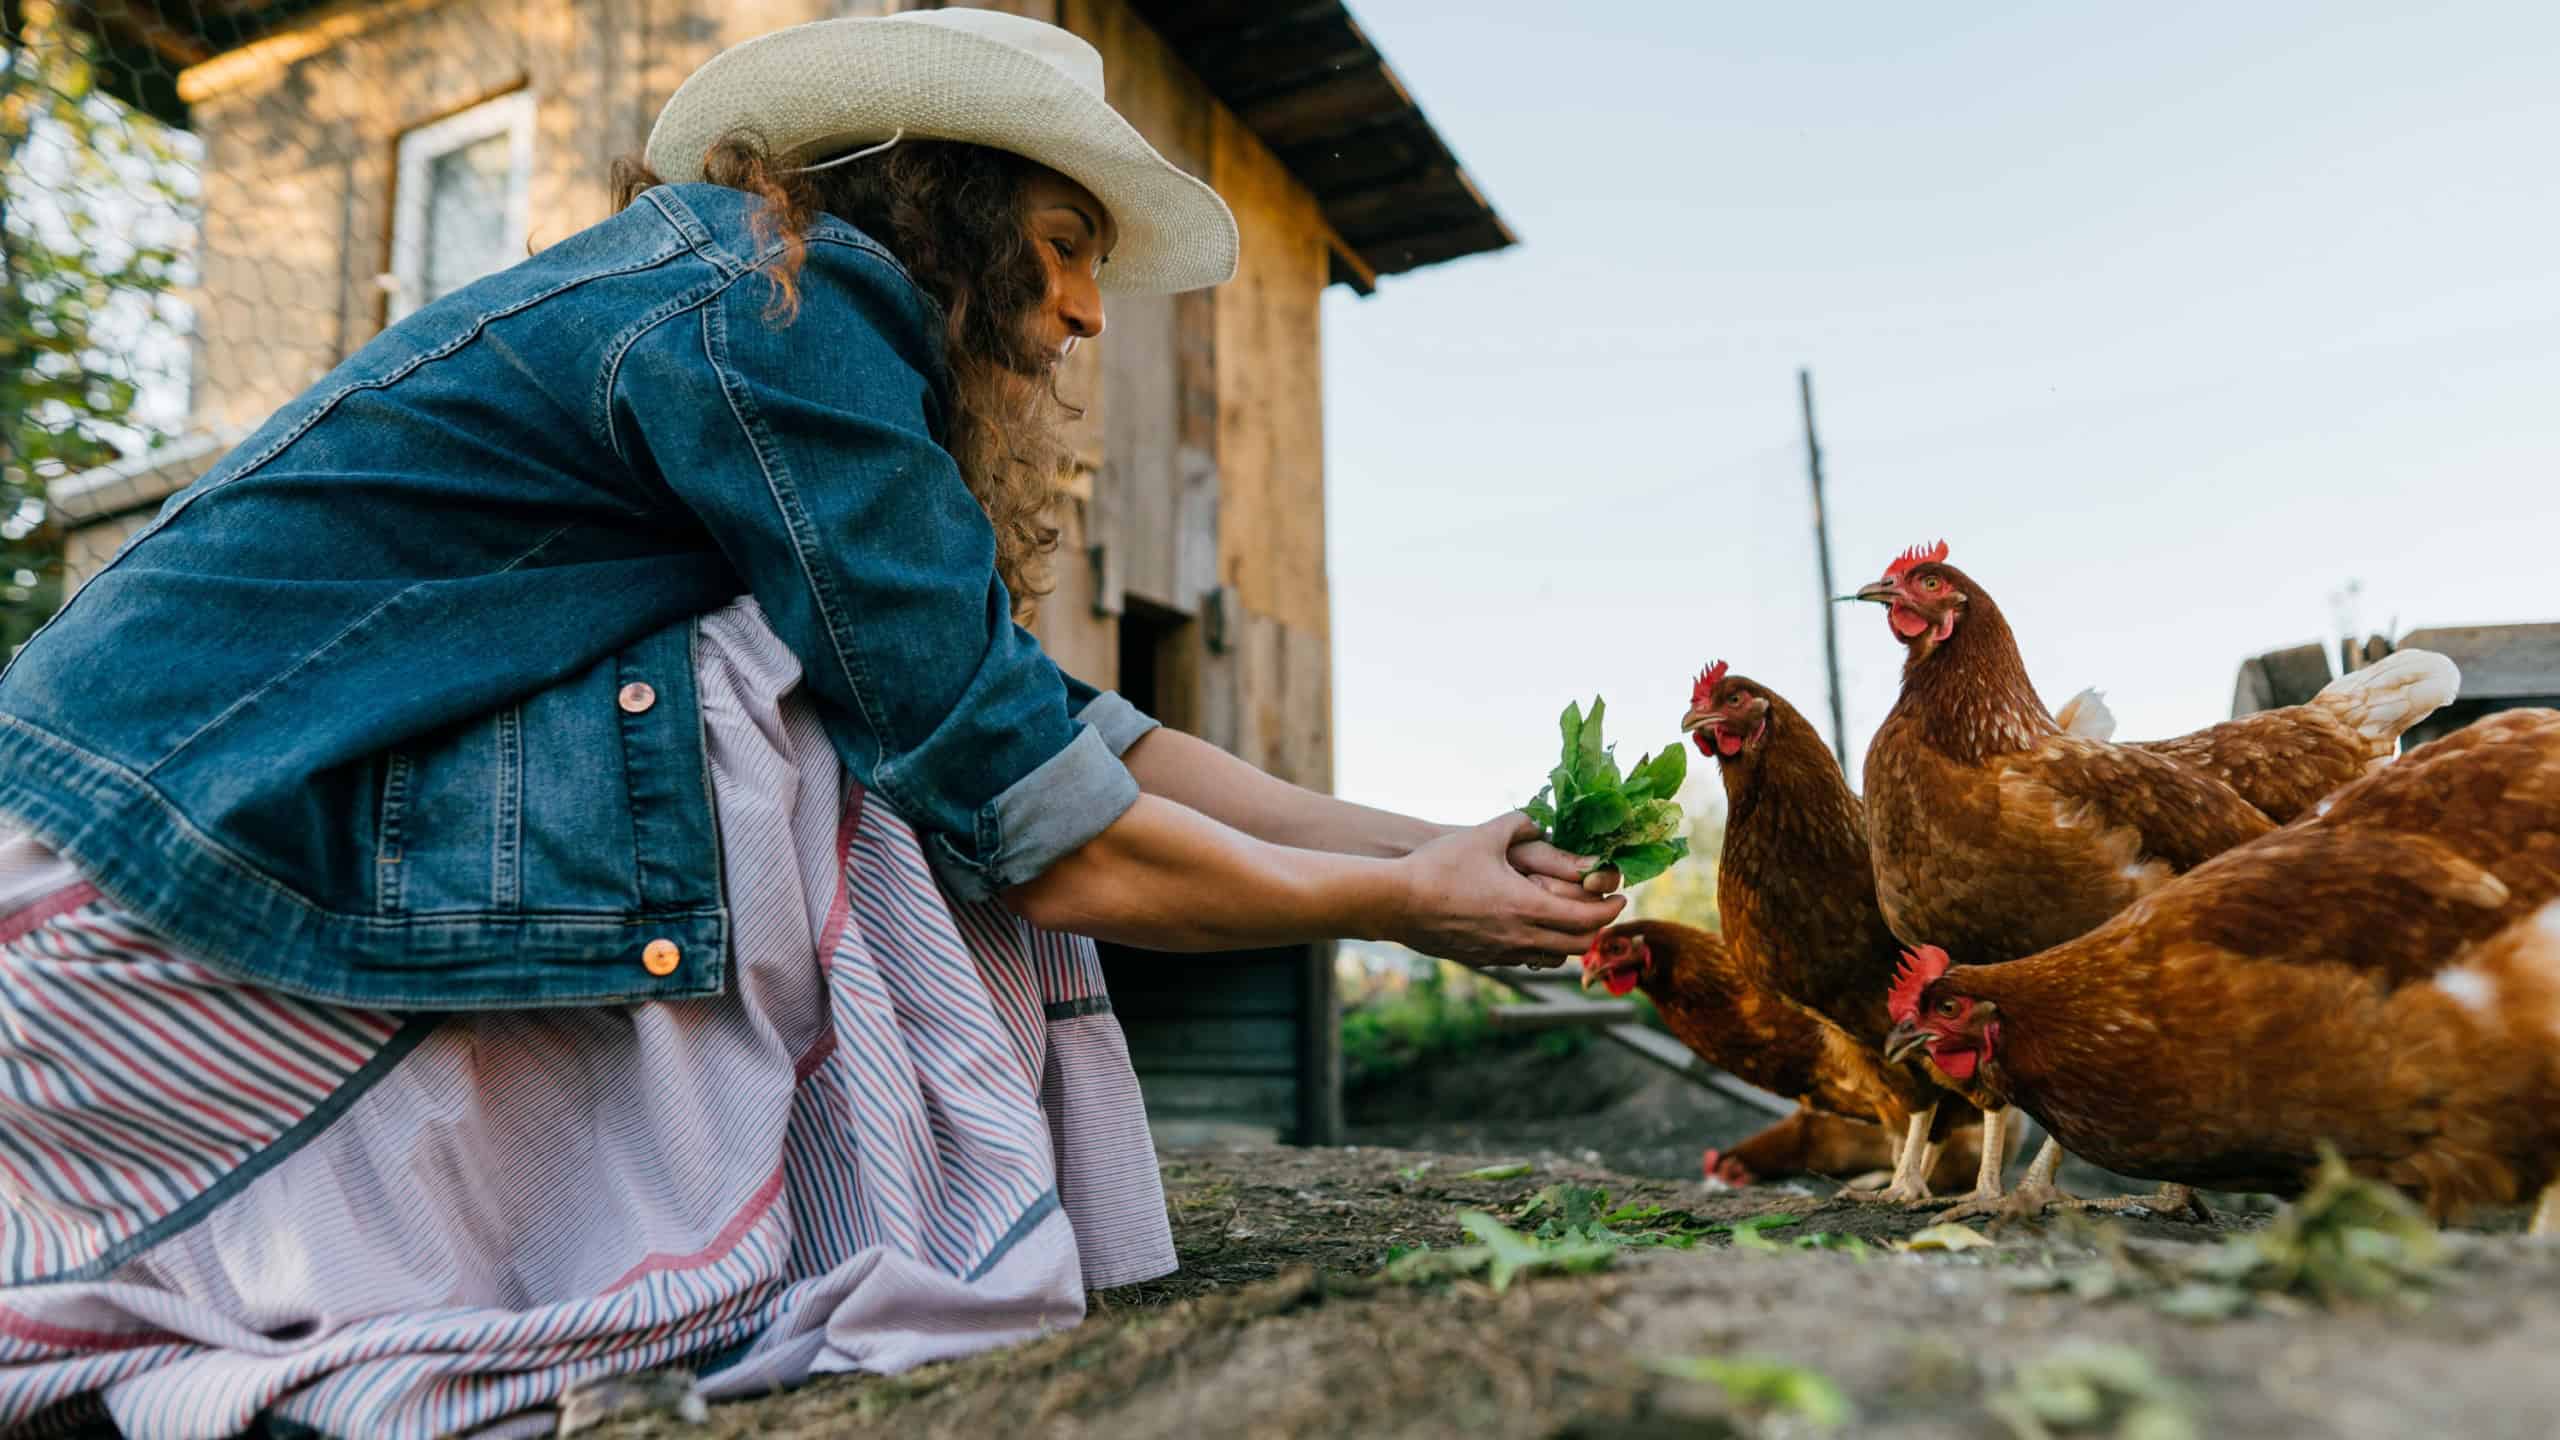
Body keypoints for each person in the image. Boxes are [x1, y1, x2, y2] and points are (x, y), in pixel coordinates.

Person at [0, 10, 1623, 1434]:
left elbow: (1064, 726)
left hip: (159, 821)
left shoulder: (734, 300)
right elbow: (1030, 815)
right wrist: (1402, 907)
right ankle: (747, 1216)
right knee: (817, 733)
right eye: (1062, 243)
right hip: (117, 885)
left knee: (861, 701)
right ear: (950, 204)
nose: (1087, 314)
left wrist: (1438, 844)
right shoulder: (783, 311)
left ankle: (690, 1203)